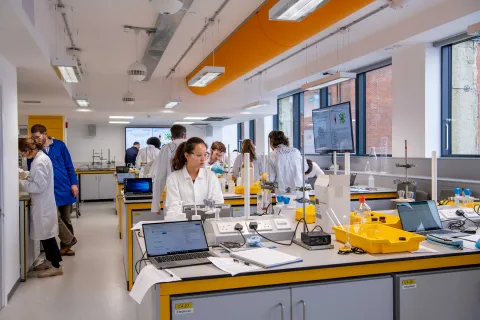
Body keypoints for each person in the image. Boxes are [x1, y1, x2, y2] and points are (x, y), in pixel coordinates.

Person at [30, 124, 78, 256]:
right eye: (34, 137)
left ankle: (66, 247)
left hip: (65, 186)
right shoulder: (35, 150)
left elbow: (69, 164)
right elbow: (31, 169)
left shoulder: (59, 145)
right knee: (54, 218)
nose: (36, 140)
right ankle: (69, 240)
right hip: (49, 190)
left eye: (38, 137)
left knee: (66, 218)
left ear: (45, 134)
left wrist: (74, 183)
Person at [19, 137, 63, 278]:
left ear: (28, 150)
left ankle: (57, 266)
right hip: (43, 203)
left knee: (47, 236)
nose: (22, 156)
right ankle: (50, 261)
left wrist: (19, 183)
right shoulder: (40, 159)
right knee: (45, 235)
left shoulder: (39, 162)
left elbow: (38, 186)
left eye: (22, 153)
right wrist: (25, 175)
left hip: (43, 205)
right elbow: (37, 178)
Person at [165, 138, 224, 213]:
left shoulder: (210, 176)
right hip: (183, 222)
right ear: (187, 155)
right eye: (199, 155)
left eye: (205, 154)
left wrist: (210, 211)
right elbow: (173, 206)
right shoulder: (173, 178)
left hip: (207, 221)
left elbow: (218, 201)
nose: (203, 159)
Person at [151, 125, 187, 214]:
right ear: (185, 135)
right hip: (194, 200)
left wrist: (155, 205)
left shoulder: (166, 148)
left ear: (171, 137)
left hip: (173, 197)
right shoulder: (193, 146)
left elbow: (160, 177)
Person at [268, 130, 306, 195]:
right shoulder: (296, 151)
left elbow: (270, 179)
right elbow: (305, 168)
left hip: (283, 195)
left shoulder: (272, 155)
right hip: (300, 193)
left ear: (271, 142)